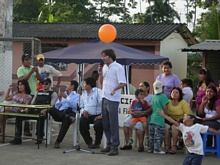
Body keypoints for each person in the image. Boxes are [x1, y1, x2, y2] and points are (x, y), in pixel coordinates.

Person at [9, 78, 57, 145]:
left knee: (41, 116)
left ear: (50, 84)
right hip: (34, 110)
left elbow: (52, 105)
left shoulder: (53, 93)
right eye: (42, 83)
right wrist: (27, 108)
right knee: (19, 115)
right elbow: (32, 103)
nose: (44, 85)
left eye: (46, 84)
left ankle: (39, 137)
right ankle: (17, 138)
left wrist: (46, 109)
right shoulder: (38, 92)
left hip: (44, 111)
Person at [98, 49, 126, 156]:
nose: (103, 58)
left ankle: (115, 146)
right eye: (102, 56)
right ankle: (109, 144)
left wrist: (115, 88)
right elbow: (101, 82)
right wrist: (100, 73)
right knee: (105, 123)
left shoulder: (118, 67)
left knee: (113, 123)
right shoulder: (105, 67)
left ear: (110, 56)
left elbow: (123, 83)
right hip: (104, 96)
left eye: (104, 56)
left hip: (113, 99)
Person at [120, 81, 153, 152]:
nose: (140, 87)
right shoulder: (136, 96)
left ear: (147, 88)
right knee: (126, 123)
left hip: (144, 115)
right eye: (139, 86)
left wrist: (143, 112)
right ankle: (128, 143)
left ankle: (141, 145)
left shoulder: (151, 97)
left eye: (142, 86)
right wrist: (131, 111)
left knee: (139, 126)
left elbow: (151, 108)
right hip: (134, 115)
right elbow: (131, 106)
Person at [48, 80, 79, 149]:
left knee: (66, 120)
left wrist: (66, 97)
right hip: (61, 113)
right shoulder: (63, 94)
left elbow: (75, 107)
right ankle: (67, 116)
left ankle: (58, 141)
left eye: (68, 84)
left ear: (72, 86)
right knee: (51, 109)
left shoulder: (77, 96)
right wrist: (59, 99)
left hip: (70, 112)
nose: (66, 86)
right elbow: (57, 107)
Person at [17, 53, 42, 136]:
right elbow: (23, 81)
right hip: (26, 93)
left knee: (33, 110)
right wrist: (31, 72)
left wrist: (37, 73)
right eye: (27, 60)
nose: (29, 61)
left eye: (29, 59)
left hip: (34, 92)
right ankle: (26, 129)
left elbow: (40, 79)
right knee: (25, 110)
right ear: (23, 61)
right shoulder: (20, 69)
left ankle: (34, 129)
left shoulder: (33, 68)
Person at [164, 87, 191, 154]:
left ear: (180, 95)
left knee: (174, 127)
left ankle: (174, 146)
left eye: (176, 92)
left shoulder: (183, 103)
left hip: (180, 120)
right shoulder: (168, 102)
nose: (174, 94)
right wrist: (169, 118)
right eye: (173, 92)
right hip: (169, 119)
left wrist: (180, 119)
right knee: (166, 127)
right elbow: (165, 113)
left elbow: (187, 114)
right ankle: (167, 146)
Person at [79, 77, 103, 149]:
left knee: (98, 125)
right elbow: (81, 106)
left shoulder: (98, 92)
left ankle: (97, 142)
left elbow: (103, 103)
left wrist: (102, 115)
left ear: (89, 85)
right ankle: (89, 142)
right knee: (82, 123)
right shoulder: (83, 94)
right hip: (87, 115)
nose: (83, 85)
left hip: (98, 115)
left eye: (84, 83)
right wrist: (83, 111)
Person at [148, 81, 168, 154]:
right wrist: (166, 116)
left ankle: (150, 148)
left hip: (153, 118)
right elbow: (165, 107)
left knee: (152, 136)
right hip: (160, 118)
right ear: (162, 88)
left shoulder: (153, 97)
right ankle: (157, 149)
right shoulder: (163, 96)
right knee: (158, 135)